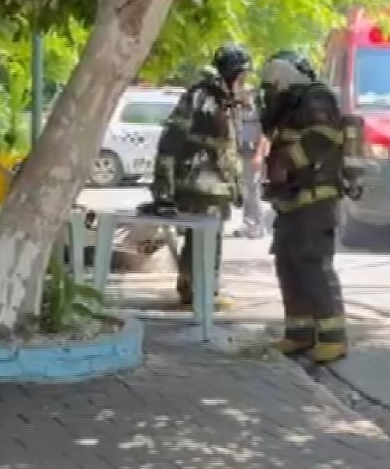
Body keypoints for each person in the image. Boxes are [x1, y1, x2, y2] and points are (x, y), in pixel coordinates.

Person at [260, 50, 351, 362]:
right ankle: (298, 334)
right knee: (288, 264)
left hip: (315, 200)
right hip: (291, 201)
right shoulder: (292, 104)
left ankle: (333, 338)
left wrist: (286, 162)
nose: (270, 92)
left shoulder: (316, 99)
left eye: (272, 84)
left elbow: (323, 137)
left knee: (313, 264)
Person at [150, 43, 250, 307]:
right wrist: (163, 192)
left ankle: (193, 287)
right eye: (242, 75)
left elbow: (229, 150)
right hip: (199, 185)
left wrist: (238, 187)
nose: (244, 82)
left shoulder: (223, 102)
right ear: (230, 74)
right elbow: (170, 142)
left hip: (214, 187)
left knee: (204, 237)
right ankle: (202, 292)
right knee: (205, 238)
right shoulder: (201, 98)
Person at [232, 81, 268, 239]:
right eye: (242, 93)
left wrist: (259, 155)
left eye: (247, 93)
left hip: (254, 155)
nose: (244, 96)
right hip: (241, 154)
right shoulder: (238, 110)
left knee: (254, 191)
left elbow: (264, 135)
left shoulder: (258, 111)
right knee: (245, 190)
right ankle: (247, 223)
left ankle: (260, 226)